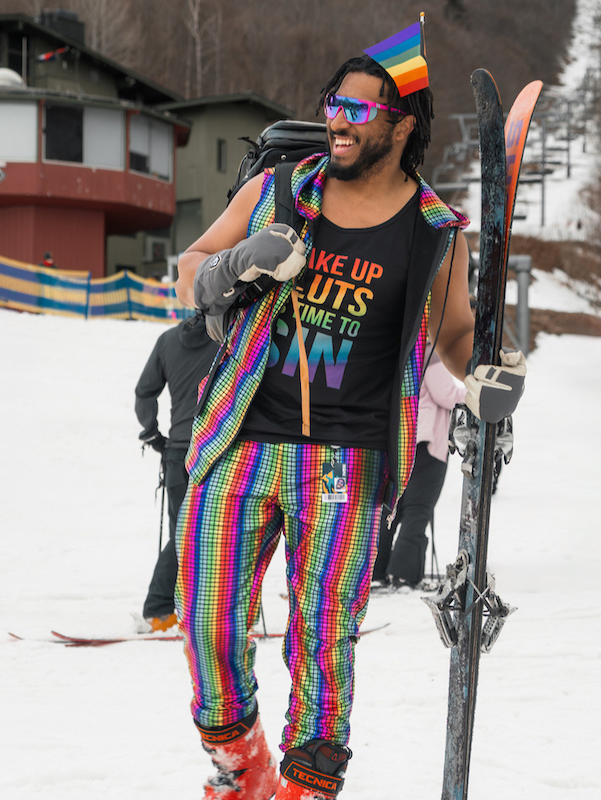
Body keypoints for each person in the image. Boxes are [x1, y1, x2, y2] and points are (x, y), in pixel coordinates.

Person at [172, 41, 527, 800]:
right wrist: (237, 265)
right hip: (238, 438)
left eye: (356, 110)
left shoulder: (434, 228)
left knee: (323, 640)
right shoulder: (276, 192)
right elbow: (186, 273)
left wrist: (490, 375)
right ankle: (241, 766)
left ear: (400, 127)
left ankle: (307, 788)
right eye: (333, 103)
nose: (337, 120)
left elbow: (455, 332)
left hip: (348, 461)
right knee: (203, 619)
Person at [134, 315, 220, 632]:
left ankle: (181, 607)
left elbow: (145, 392)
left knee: (184, 533)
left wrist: (151, 433)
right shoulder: (230, 334)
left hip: (177, 452)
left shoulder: (168, 340)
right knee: (202, 535)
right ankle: (159, 607)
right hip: (216, 450)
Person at [373, 343, 467, 590]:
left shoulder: (394, 350)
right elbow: (446, 394)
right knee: (418, 509)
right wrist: (479, 395)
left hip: (398, 439)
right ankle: (404, 575)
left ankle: (375, 572)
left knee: (392, 508)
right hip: (425, 441)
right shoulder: (427, 351)